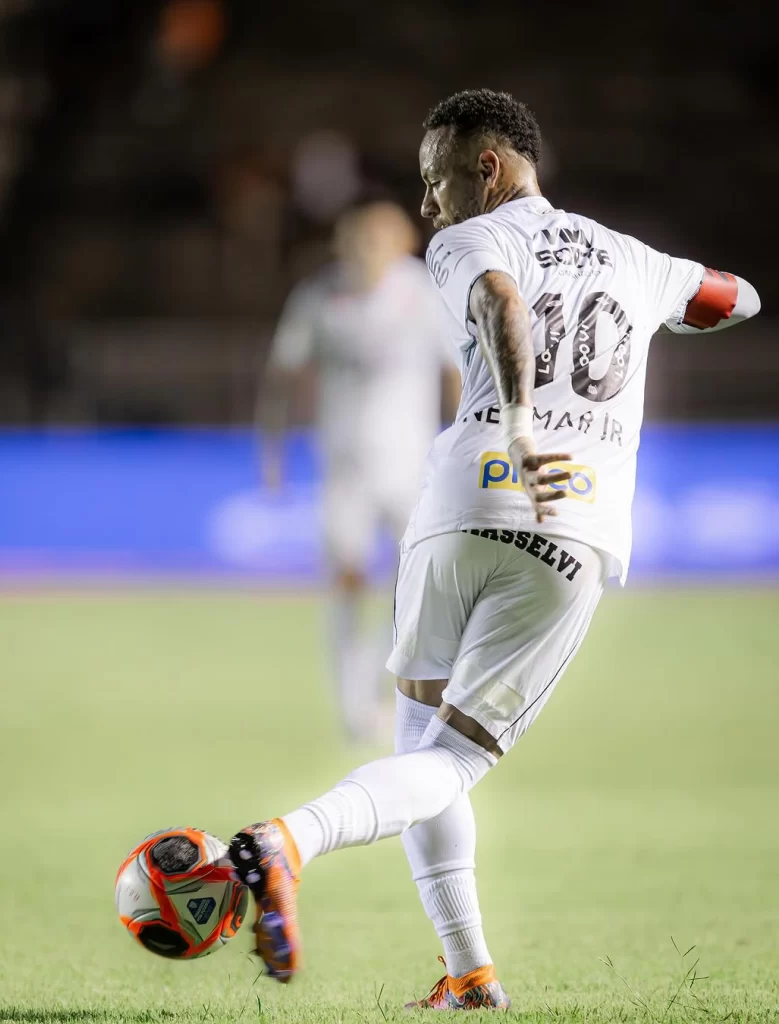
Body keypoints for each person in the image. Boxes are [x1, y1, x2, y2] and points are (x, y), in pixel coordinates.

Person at [230, 90, 761, 1008]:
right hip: (566, 525)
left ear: (489, 167)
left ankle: (468, 971)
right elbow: (736, 297)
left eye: (437, 181)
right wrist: (675, 307)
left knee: (416, 743)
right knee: (453, 761)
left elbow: (500, 296)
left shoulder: (468, 242)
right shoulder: (637, 261)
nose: (428, 206)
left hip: (454, 505)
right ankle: (291, 842)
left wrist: (516, 422)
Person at [257, 198, 459, 742]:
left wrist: (469, 441)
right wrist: (272, 451)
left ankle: (380, 685)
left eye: (376, 240)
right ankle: (353, 708)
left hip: (412, 467)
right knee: (347, 581)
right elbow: (285, 374)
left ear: (400, 245)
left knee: (416, 586)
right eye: (355, 241)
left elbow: (455, 372)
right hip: (343, 468)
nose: (364, 252)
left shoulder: (422, 293)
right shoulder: (320, 297)